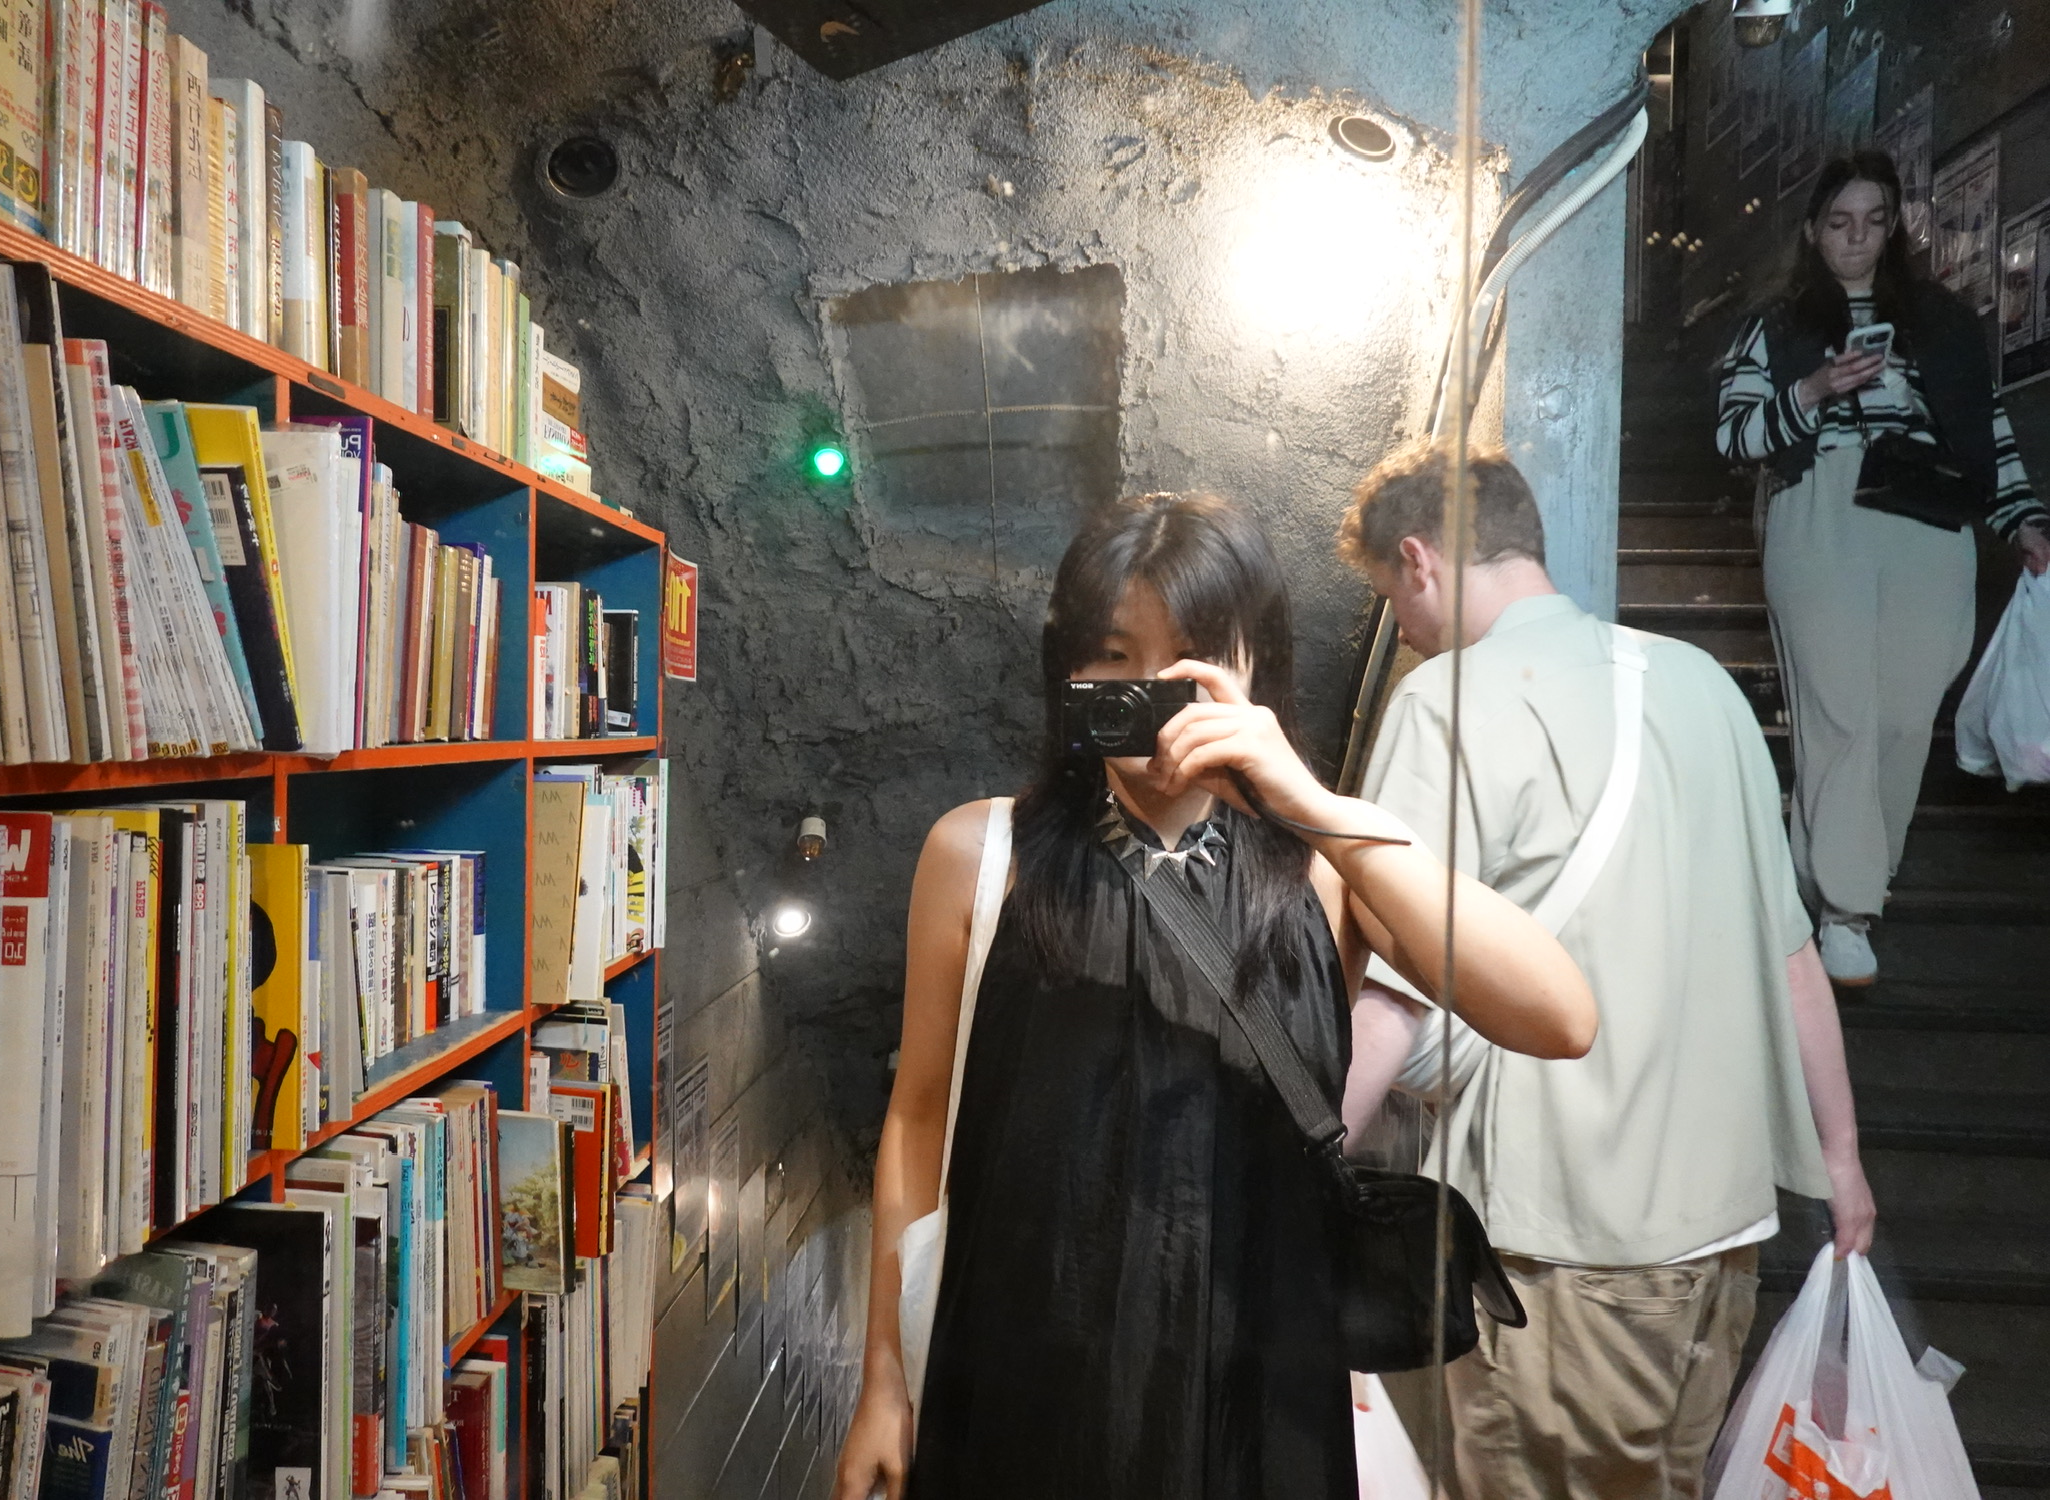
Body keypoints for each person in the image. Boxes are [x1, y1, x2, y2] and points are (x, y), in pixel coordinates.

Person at [832, 492, 1598, 1500]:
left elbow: (1558, 1016)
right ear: (1068, 672)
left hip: (1256, 1386)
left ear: (1254, 668)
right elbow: (919, 1117)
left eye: (1191, 658)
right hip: (1024, 1369)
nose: (1152, 693)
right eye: (1114, 656)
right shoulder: (983, 854)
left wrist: (1311, 805)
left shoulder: (1322, 868)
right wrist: (884, 1378)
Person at [1337, 443, 1876, 1500]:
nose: (1403, 628)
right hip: (1723, 1242)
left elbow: (1392, 993)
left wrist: (1298, 1167)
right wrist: (1843, 1161)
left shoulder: (1445, 702)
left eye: (1392, 598)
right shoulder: (1703, 686)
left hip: (1560, 1253)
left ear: (1420, 559)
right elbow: (1792, 957)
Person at [1716, 149, 2050, 986]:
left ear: (1895, 226)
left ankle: (1828, 870)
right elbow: (1733, 435)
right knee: (1840, 713)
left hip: (1928, 517)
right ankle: (1849, 909)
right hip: (1820, 509)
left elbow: (1988, 430)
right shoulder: (1776, 324)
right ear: (1812, 231)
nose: (1856, 237)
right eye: (1839, 221)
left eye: (1873, 220)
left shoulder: (1943, 322)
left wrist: (2022, 518)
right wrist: (1814, 389)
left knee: (1902, 717)